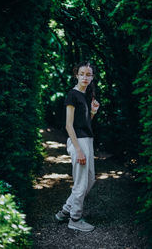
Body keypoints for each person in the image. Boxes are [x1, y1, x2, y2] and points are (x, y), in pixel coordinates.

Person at [55, 61, 100, 232]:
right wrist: (78, 149)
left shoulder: (86, 96)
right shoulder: (72, 95)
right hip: (78, 142)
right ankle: (74, 218)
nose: (85, 77)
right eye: (82, 74)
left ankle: (65, 211)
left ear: (92, 77)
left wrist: (93, 111)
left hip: (87, 140)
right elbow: (69, 125)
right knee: (81, 183)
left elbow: (85, 123)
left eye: (89, 74)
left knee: (90, 180)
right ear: (76, 75)